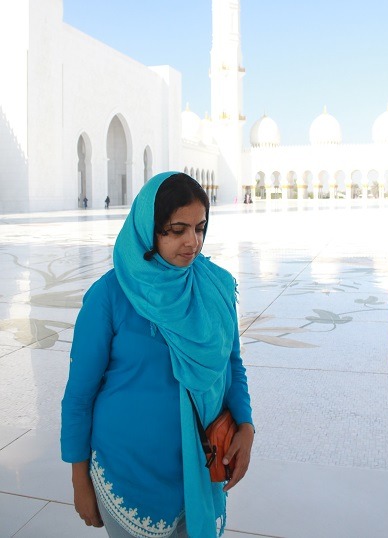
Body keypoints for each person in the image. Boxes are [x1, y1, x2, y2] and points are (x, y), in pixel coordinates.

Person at [61, 172, 254, 538]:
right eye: (176, 229)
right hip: (129, 474)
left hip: (199, 464)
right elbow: (78, 398)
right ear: (149, 227)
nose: (192, 243)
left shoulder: (215, 286)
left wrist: (246, 425)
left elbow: (232, 364)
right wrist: (78, 480)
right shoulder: (109, 297)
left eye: (199, 228)